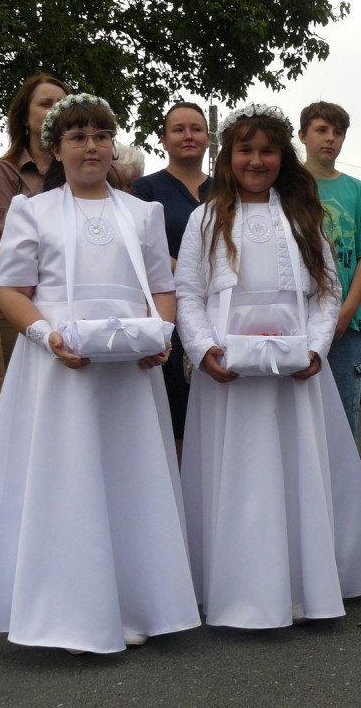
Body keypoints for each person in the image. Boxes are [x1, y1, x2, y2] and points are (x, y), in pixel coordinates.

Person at [0, 94, 199, 652]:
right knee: (65, 479)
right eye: (77, 137)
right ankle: (66, 609)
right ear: (56, 148)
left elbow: (161, 290)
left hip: (127, 370)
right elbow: (12, 291)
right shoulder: (32, 210)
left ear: (111, 144)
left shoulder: (143, 212)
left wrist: (160, 335)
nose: (91, 146)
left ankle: (135, 600)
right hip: (58, 369)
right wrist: (50, 338)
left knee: (127, 479)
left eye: (100, 135)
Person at [175, 103, 361, 629]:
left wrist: (316, 348)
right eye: (245, 150)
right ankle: (238, 585)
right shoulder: (205, 217)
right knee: (240, 472)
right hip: (229, 371)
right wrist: (203, 350)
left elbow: (326, 291)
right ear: (228, 157)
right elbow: (188, 292)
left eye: (267, 151)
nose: (256, 160)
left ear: (282, 156)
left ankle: (303, 584)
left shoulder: (303, 215)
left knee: (295, 470)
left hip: (295, 370)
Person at [0, 74, 70, 360]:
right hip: (23, 304)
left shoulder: (86, 171)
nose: (56, 110)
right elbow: (2, 238)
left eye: (63, 104)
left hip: (79, 302)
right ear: (23, 118)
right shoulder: (5, 173)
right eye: (45, 104)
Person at [131, 102, 212, 460]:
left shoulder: (227, 187)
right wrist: (188, 270)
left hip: (222, 307)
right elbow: (140, 246)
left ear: (208, 138)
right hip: (170, 308)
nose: (188, 136)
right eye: (178, 129)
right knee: (178, 403)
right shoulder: (146, 189)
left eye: (196, 128)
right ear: (163, 140)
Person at [298, 102, 361, 435]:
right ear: (303, 134)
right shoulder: (288, 186)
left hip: (349, 321)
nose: (330, 139)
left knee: (342, 423)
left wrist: (348, 310)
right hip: (299, 316)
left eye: (338, 132)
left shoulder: (356, 189)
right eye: (321, 130)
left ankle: (340, 489)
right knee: (302, 419)